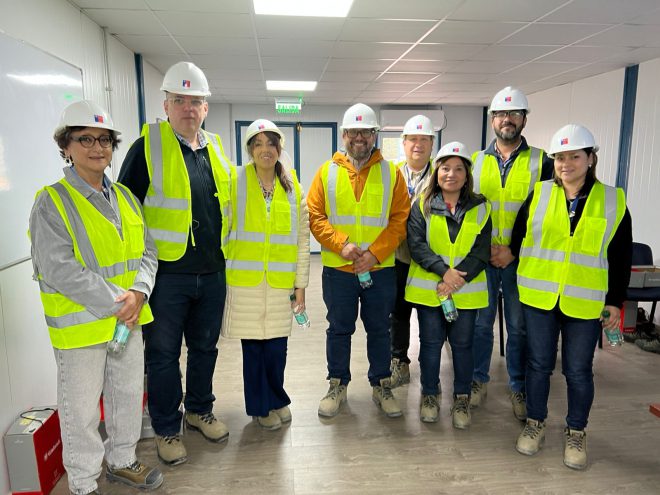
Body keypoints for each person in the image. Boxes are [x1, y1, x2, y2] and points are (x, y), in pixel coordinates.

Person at [29, 100, 162, 494]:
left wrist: (139, 291)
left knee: (127, 397)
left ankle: (122, 461)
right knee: (82, 411)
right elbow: (60, 269)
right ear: (66, 146)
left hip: (128, 322)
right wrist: (121, 302)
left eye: (104, 140)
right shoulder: (51, 202)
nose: (97, 147)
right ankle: (84, 483)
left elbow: (148, 252)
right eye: (85, 139)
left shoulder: (125, 197)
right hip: (83, 328)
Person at [118, 62, 234, 465]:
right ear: (166, 106)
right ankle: (167, 429)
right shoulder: (146, 147)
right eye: (179, 100)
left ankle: (200, 410)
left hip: (212, 270)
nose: (188, 108)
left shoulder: (216, 148)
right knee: (163, 355)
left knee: (205, 348)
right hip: (167, 275)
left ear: (206, 108)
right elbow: (126, 211)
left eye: (195, 101)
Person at [511, 124, 632, 470]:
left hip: (584, 301)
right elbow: (520, 239)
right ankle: (535, 423)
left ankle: (576, 431)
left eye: (574, 157)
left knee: (578, 371)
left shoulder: (612, 200)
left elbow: (620, 255)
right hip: (539, 297)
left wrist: (615, 301)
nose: (566, 164)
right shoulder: (539, 194)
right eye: (560, 157)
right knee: (538, 364)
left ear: (590, 159)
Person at [307, 103, 410, 418]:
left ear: (374, 135)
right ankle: (337, 384)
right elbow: (315, 215)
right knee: (339, 329)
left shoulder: (391, 173)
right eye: (354, 132)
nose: (360, 137)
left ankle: (381, 385)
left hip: (380, 271)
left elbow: (400, 219)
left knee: (379, 329)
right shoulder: (327, 172)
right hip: (339, 270)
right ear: (344, 135)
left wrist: (374, 254)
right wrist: (342, 245)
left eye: (366, 132)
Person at [470, 86, 554, 420]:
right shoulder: (474, 162)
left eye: (515, 113)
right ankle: (478, 380)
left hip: (521, 260)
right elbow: (467, 213)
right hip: (483, 259)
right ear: (492, 119)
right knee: (481, 325)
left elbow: (548, 216)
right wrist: (485, 250)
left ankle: (518, 386)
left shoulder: (544, 163)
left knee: (518, 328)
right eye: (502, 114)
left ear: (524, 119)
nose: (508, 119)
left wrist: (513, 251)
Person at [221, 119, 310, 430]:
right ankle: (260, 407)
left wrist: (301, 285)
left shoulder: (293, 187)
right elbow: (223, 226)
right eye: (257, 144)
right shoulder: (234, 181)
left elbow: (302, 240)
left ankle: (276, 397)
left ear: (279, 148)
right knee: (253, 350)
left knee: (276, 349)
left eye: (271, 143)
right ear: (249, 150)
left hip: (280, 284)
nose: (265, 150)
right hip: (245, 283)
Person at [405, 142, 491, 427]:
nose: (451, 174)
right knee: (430, 345)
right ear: (436, 173)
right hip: (431, 291)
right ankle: (430, 394)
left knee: (463, 346)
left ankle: (461, 397)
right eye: (445, 168)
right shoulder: (422, 204)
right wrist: (444, 273)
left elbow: (481, 250)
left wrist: (455, 280)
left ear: (467, 175)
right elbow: (416, 245)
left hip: (465, 292)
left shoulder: (481, 207)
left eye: (458, 169)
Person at [390, 115, 435, 389]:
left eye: (424, 139)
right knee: (398, 313)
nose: (418, 144)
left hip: (429, 259)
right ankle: (399, 362)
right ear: (404, 143)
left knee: (430, 316)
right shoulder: (391, 173)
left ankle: (431, 369)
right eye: (413, 139)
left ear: (432, 143)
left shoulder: (441, 174)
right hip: (397, 256)